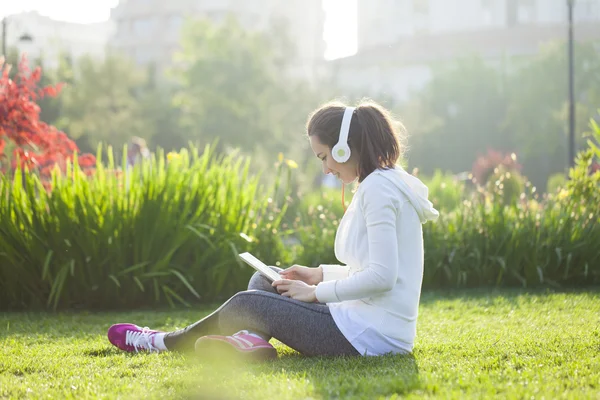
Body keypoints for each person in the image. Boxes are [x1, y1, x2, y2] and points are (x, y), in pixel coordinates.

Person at [107, 100, 439, 360]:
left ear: (344, 148)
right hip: (359, 322)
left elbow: (382, 277)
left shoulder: (380, 190)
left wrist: (315, 293)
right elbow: (367, 269)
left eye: (325, 157)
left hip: (370, 338)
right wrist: (317, 275)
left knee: (247, 303)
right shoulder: (379, 184)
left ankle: (161, 341)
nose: (326, 168)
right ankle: (250, 344)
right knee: (267, 281)